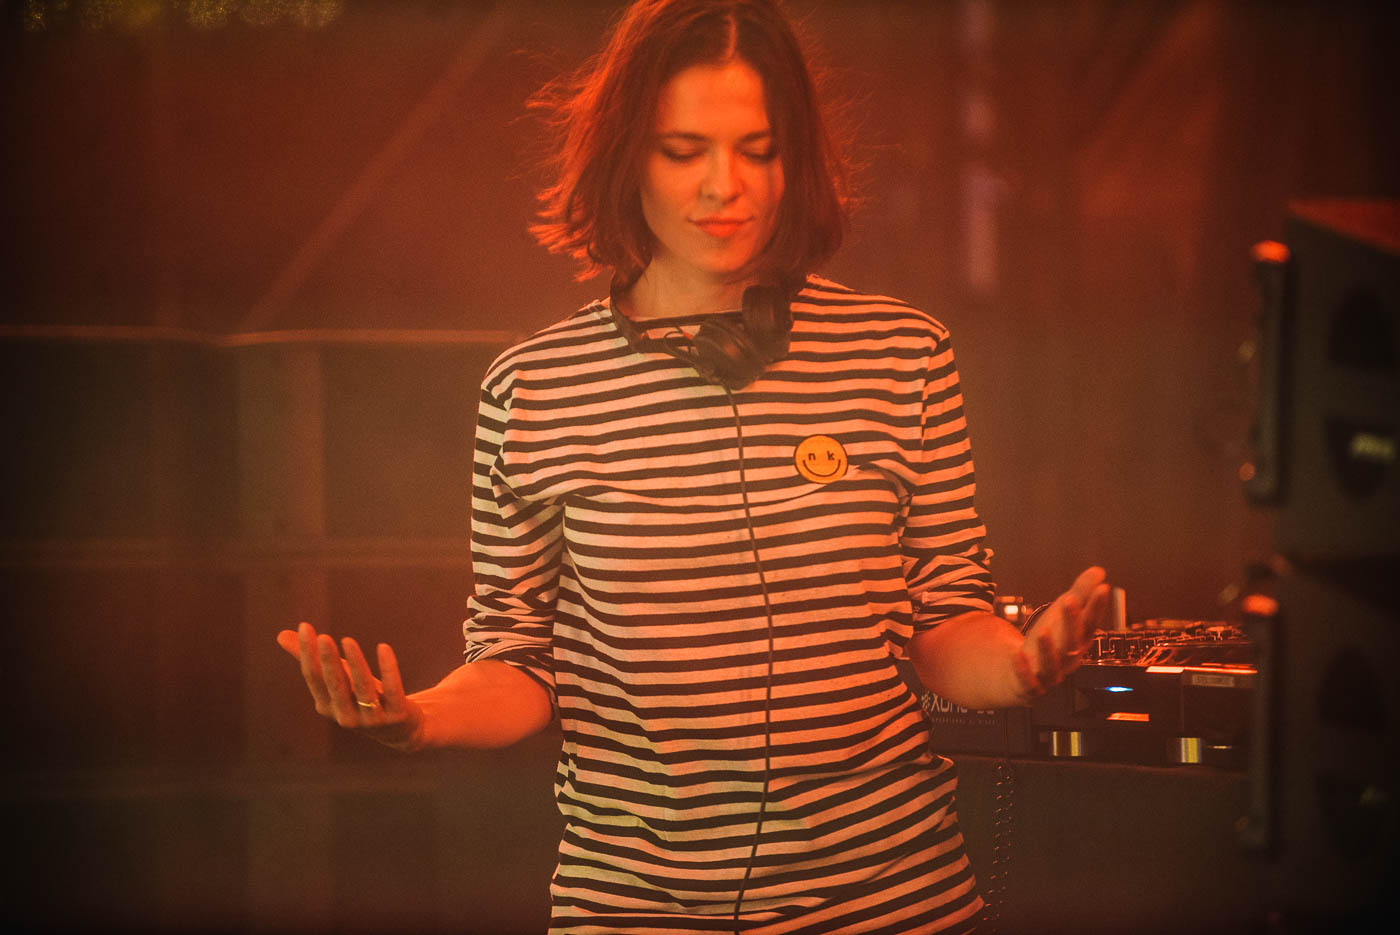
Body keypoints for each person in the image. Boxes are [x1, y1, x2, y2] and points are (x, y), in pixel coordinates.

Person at [277, 1, 1110, 932]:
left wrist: (1019, 666)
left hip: (890, 902)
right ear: (627, 157)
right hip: (630, 909)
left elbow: (945, 612)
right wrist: (419, 718)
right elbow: (517, 656)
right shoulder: (534, 388)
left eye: (759, 149)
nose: (726, 184)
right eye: (684, 151)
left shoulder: (900, 354)